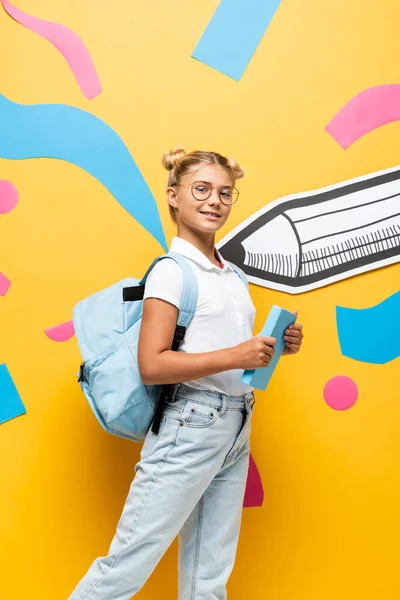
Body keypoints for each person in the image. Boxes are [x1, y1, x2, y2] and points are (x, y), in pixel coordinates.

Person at [68, 147, 304, 600]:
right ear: (174, 196)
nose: (215, 201)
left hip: (237, 423)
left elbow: (223, 350)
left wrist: (274, 349)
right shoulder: (171, 272)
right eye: (202, 189)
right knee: (124, 567)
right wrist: (237, 355)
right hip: (191, 424)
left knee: (208, 576)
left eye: (225, 193)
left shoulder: (233, 275)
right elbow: (152, 364)